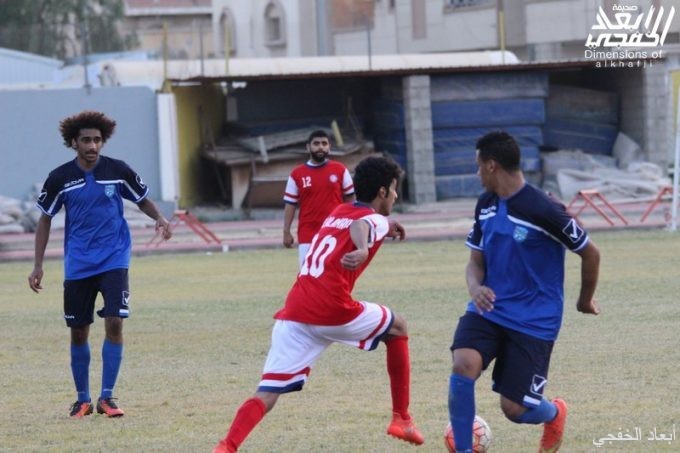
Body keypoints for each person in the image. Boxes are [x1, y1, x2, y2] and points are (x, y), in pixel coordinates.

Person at [214, 156, 424, 452]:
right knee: (398, 326)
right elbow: (362, 225)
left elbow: (358, 223)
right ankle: (401, 418)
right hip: (332, 309)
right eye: (393, 189)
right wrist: (364, 248)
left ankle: (226, 447)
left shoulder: (339, 211)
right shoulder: (371, 220)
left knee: (267, 393)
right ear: (382, 192)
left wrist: (386, 226)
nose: (396, 195)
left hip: (295, 311)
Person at [447, 131, 601, 453]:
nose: (477, 173)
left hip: (534, 320)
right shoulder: (485, 204)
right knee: (463, 363)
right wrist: (475, 288)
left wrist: (584, 300)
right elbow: (475, 262)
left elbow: (590, 252)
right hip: (489, 309)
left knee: (514, 409)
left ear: (491, 165)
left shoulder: (544, 209)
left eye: (478, 165)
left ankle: (554, 412)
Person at [27, 111, 172, 419]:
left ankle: (107, 397)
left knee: (115, 321)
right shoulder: (59, 178)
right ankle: (82, 399)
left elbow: (141, 199)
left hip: (114, 258)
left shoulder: (117, 170)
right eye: (86, 140)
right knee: (79, 331)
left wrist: (159, 217)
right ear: (74, 143)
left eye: (97, 140)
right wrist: (38, 264)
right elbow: (45, 219)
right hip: (78, 263)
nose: (92, 145)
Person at [283, 129, 355, 266]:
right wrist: (286, 231)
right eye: (316, 144)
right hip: (307, 233)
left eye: (324, 143)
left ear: (329, 147)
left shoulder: (340, 170)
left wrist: (353, 227)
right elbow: (290, 204)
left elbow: (351, 201)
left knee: (335, 272)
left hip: (336, 232)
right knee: (307, 273)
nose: (320, 147)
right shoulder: (296, 174)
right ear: (308, 147)